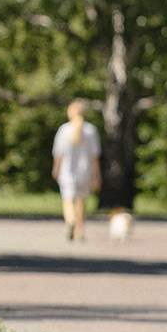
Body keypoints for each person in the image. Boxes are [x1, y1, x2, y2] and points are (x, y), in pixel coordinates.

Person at [53, 99, 102, 243]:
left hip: (67, 171)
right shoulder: (91, 130)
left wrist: (56, 169)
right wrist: (97, 175)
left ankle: (71, 219)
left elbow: (58, 154)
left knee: (68, 200)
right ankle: (79, 231)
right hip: (85, 171)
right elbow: (94, 157)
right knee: (81, 201)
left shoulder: (64, 130)